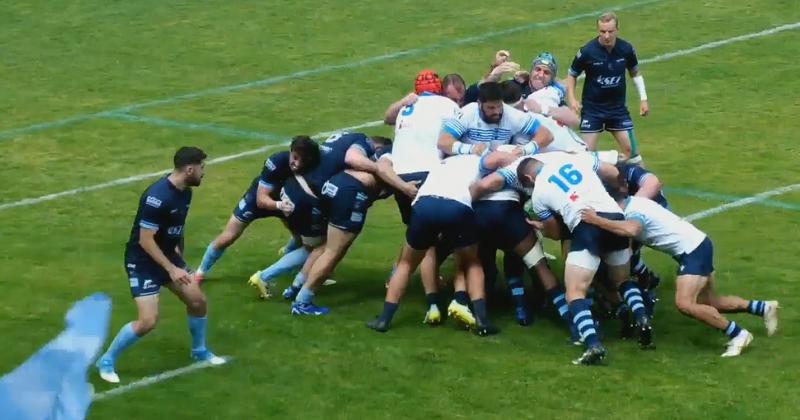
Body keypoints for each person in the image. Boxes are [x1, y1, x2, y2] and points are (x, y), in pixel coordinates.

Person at [581, 196, 780, 357]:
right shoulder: (636, 201)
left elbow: (632, 229)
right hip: (698, 244)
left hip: (692, 251)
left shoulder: (632, 213)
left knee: (685, 304)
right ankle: (763, 308)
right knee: (710, 301)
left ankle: (739, 334)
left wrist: (596, 220)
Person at [96, 147, 224, 384]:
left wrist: (180, 261)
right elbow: (146, 239)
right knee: (148, 321)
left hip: (167, 258)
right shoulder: (157, 197)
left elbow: (176, 228)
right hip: (143, 261)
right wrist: (171, 269)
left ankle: (199, 352)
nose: (203, 172)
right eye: (201, 167)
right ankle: (106, 360)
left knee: (197, 301)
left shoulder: (185, 193)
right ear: (189, 169)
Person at [517, 152, 653, 365]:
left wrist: (541, 226)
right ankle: (642, 316)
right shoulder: (572, 160)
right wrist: (619, 188)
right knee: (622, 281)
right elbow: (611, 170)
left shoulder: (539, 193)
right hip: (615, 217)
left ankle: (593, 345)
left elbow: (555, 233)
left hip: (587, 226)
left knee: (574, 293)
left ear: (529, 179)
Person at [367, 154, 499, 336]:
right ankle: (482, 321)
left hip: (425, 205)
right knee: (472, 263)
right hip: (457, 206)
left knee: (406, 263)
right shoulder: (482, 161)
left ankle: (384, 319)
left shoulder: (442, 161)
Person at [194, 136, 321, 287]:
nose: (297, 164)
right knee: (229, 236)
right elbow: (261, 199)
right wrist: (280, 206)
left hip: (288, 201)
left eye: (303, 160)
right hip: (259, 201)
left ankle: (297, 265)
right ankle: (200, 272)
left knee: (302, 240)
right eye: (295, 158)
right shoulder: (276, 162)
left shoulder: (314, 165)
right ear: (290, 151)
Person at [566, 11, 649, 163]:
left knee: (632, 152)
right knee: (585, 156)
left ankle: (642, 183)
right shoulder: (587, 52)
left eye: (610, 31)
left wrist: (643, 99)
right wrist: (572, 99)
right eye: (602, 31)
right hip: (592, 110)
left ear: (617, 29)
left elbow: (635, 73)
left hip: (617, 110)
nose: (606, 36)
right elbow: (572, 75)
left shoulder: (626, 49)